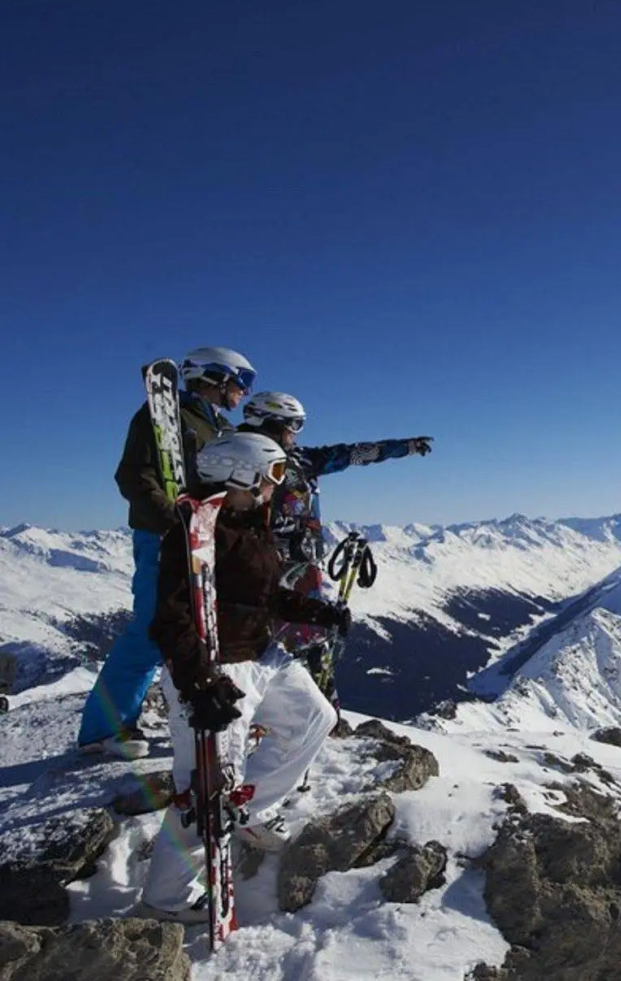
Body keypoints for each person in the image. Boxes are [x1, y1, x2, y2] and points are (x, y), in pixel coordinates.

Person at [139, 431, 347, 923]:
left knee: (314, 719)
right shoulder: (193, 532)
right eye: (272, 474)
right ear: (240, 474)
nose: (278, 485)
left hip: (261, 655)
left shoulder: (252, 526)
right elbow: (169, 619)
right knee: (206, 785)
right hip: (217, 666)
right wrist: (199, 683)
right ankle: (166, 897)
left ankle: (248, 812)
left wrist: (314, 611)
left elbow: (262, 596)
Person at [80, 346, 256, 759]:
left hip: (204, 539)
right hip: (162, 536)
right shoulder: (163, 415)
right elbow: (133, 476)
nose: (244, 392)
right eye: (242, 382)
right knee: (151, 628)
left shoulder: (221, 428)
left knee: (201, 629)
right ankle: (103, 732)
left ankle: (196, 714)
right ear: (215, 377)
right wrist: (173, 522)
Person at [236, 390, 431, 703]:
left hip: (301, 564)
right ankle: (279, 706)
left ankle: (315, 703)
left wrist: (403, 447)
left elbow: (351, 454)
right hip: (266, 566)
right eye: (292, 425)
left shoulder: (300, 460)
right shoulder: (240, 459)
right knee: (277, 641)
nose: (295, 433)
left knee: (314, 635)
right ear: (270, 423)